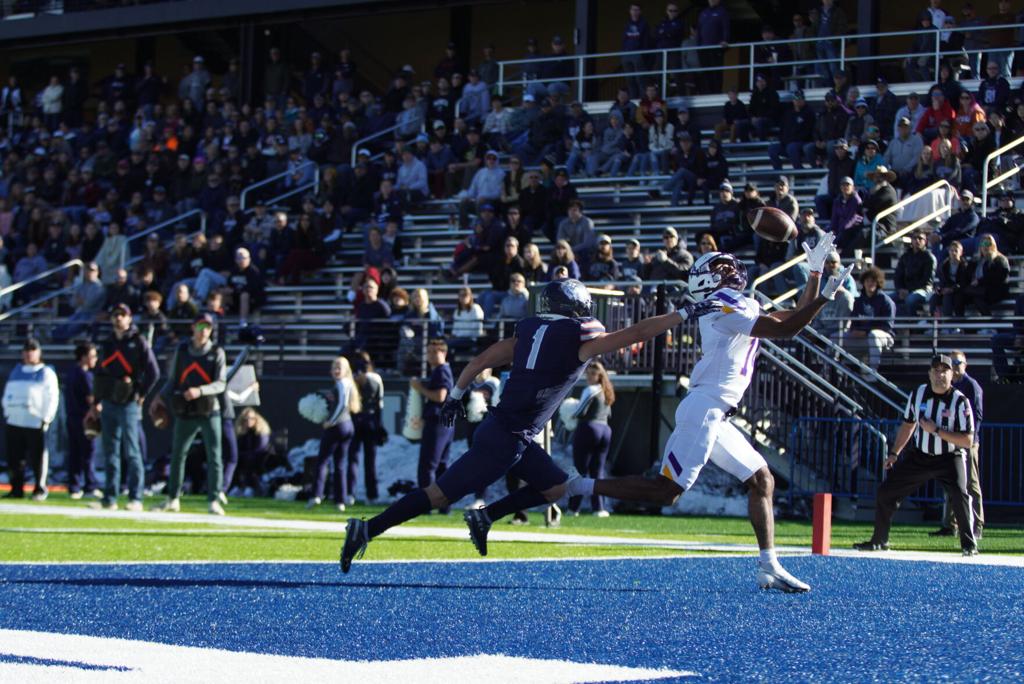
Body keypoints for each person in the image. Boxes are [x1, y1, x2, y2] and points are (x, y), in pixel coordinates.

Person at [488, 240, 847, 592]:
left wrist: (814, 273)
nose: (730, 270)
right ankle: (575, 485)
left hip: (717, 412)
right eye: (720, 268)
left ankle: (768, 565)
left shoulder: (737, 302)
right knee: (667, 492)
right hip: (706, 407)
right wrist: (826, 294)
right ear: (706, 280)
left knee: (762, 480)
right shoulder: (720, 304)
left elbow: (790, 318)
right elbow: (789, 328)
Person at [340, 279, 722, 572]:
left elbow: (483, 358)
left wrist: (456, 395)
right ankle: (367, 529)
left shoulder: (528, 330)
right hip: (506, 438)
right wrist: (684, 314)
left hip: (506, 431)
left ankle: (486, 515)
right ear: (574, 306)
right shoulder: (579, 336)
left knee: (556, 486)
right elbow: (636, 334)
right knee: (439, 495)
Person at [854, 354, 978, 556]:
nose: (940, 375)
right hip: (920, 456)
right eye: (936, 371)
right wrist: (895, 453)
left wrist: (936, 430)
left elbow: (967, 440)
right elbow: (908, 424)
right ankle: (879, 540)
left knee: (960, 496)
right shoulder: (918, 394)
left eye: (944, 371)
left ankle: (969, 545)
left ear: (952, 374)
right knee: (886, 492)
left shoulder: (960, 401)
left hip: (949, 456)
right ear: (929, 374)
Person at [151, 314, 228, 515]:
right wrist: (160, 396)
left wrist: (200, 390)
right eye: (201, 326)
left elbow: (221, 383)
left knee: (214, 455)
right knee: (178, 454)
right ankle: (173, 498)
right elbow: (174, 379)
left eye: (208, 327)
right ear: (193, 327)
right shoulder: (183, 350)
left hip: (209, 409)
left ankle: (213, 498)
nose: (204, 331)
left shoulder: (216, 352)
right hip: (186, 409)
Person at [89, 303, 160, 511]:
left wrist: (141, 393)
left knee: (132, 450)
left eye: (122, 315)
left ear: (129, 319)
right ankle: (110, 497)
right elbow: (100, 375)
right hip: (109, 401)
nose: (118, 319)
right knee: (111, 451)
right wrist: (96, 402)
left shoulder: (138, 341)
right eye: (115, 315)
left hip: (129, 402)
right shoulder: (108, 343)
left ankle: (135, 496)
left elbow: (153, 372)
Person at [930, 351, 984, 540]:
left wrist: (969, 441)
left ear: (965, 364)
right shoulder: (950, 387)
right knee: (951, 483)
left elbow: (976, 418)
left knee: (971, 485)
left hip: (967, 442)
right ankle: (949, 524)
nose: (954, 366)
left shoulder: (971, 386)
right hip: (951, 440)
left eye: (957, 362)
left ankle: (977, 525)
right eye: (951, 363)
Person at [1, 339, 59, 501]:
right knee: (15, 458)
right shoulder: (16, 370)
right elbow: (7, 394)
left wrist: (46, 417)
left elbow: (52, 397)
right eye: (26, 350)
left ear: (39, 352)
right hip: (15, 421)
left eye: (32, 350)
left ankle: (39, 488)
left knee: (37, 457)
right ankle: (16, 488)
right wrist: (8, 413)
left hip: (35, 422)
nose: (29, 353)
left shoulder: (46, 372)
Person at [309, 356, 362, 512]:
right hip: (348, 425)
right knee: (339, 464)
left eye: (339, 367)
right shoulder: (349, 384)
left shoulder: (341, 384)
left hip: (339, 425)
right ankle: (340, 500)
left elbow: (342, 405)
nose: (336, 370)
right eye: (334, 367)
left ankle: (316, 495)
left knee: (322, 461)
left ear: (346, 370)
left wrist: (330, 421)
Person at [411, 339, 455, 511]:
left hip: (438, 424)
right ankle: (444, 506)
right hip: (444, 423)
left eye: (433, 352)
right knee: (442, 466)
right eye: (428, 352)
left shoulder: (441, 371)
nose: (429, 356)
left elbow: (440, 397)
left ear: (443, 353)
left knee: (428, 465)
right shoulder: (441, 370)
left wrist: (419, 387)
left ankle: (426, 504)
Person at [567, 361, 614, 517]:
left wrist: (568, 411)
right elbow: (609, 414)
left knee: (579, 470)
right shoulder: (607, 390)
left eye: (592, 374)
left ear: (599, 376)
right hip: (605, 430)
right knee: (597, 471)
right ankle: (599, 508)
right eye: (587, 373)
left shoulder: (590, 390)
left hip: (589, 428)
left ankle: (574, 508)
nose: (588, 376)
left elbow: (580, 412)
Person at [65, 343, 101, 500]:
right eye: (92, 356)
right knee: (88, 452)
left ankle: (74, 486)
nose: (95, 359)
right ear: (84, 357)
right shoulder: (85, 375)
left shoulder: (72, 372)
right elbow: (90, 399)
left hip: (72, 416)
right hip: (85, 418)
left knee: (75, 452)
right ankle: (90, 485)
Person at [844, 267, 896, 370]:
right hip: (862, 337)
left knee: (873, 335)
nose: (870, 284)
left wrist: (866, 332)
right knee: (836, 337)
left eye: (873, 281)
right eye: (867, 281)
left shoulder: (886, 301)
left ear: (878, 283)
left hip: (883, 337)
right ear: (863, 283)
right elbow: (854, 321)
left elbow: (887, 326)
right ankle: (833, 370)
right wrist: (854, 331)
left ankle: (873, 372)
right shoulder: (859, 301)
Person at [349, 351, 384, 503]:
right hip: (363, 420)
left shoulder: (372, 378)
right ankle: (354, 493)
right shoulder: (353, 379)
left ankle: (366, 494)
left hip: (365, 421)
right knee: (357, 459)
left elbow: (377, 401)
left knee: (362, 459)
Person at [893, 230, 937, 316]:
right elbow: (898, 276)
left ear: (925, 241)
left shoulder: (929, 258)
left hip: (924, 290)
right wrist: (900, 289)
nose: (917, 240)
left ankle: (911, 325)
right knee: (888, 299)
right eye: (914, 238)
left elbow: (927, 280)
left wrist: (908, 290)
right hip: (906, 290)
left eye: (920, 238)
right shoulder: (905, 256)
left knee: (910, 299)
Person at [965, 234, 1010, 315]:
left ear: (993, 246)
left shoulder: (1000, 260)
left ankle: (989, 321)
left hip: (994, 290)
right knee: (960, 294)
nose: (985, 247)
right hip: (978, 289)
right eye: (983, 244)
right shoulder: (975, 260)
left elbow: (999, 277)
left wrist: (979, 281)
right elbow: (967, 274)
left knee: (975, 298)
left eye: (988, 244)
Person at [234, 408, 272, 497]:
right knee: (233, 460)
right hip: (246, 458)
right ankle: (236, 487)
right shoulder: (243, 434)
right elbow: (239, 448)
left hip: (261, 459)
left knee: (250, 460)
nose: (248, 421)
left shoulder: (261, 432)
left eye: (251, 418)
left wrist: (243, 455)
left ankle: (249, 487)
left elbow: (260, 449)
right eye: (245, 419)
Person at [696, 0, 730, 94]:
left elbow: (726, 28)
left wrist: (725, 40)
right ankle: (707, 92)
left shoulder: (722, 12)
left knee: (716, 73)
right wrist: (697, 46)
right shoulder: (703, 13)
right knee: (706, 73)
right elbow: (699, 30)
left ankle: (716, 92)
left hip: (716, 48)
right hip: (703, 48)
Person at [931, 240, 971, 319]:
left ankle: (949, 325)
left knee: (949, 298)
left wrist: (952, 289)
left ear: (961, 252)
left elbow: (965, 282)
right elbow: (942, 280)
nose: (953, 253)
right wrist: (939, 288)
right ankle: (934, 322)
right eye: (951, 250)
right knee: (933, 299)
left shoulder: (965, 265)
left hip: (960, 290)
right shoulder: (944, 265)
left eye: (956, 251)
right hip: (947, 288)